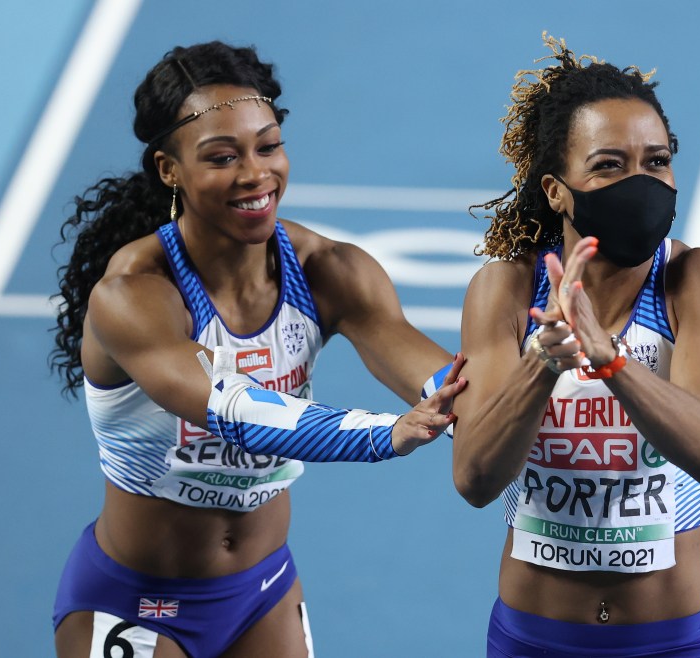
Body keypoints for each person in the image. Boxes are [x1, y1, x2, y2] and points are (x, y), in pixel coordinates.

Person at [49, 41, 465, 658]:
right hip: (137, 601)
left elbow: (433, 375)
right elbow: (231, 408)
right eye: (222, 157)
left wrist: (543, 377)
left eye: (267, 147)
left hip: (262, 592)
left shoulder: (329, 269)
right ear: (169, 169)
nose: (255, 174)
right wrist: (386, 434)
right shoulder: (134, 294)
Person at [451, 35, 700, 657]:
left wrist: (610, 360)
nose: (641, 182)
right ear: (558, 190)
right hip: (535, 638)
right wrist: (543, 362)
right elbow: (476, 476)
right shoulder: (505, 290)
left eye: (657, 161)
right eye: (610, 165)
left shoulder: (697, 282)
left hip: (671, 641)